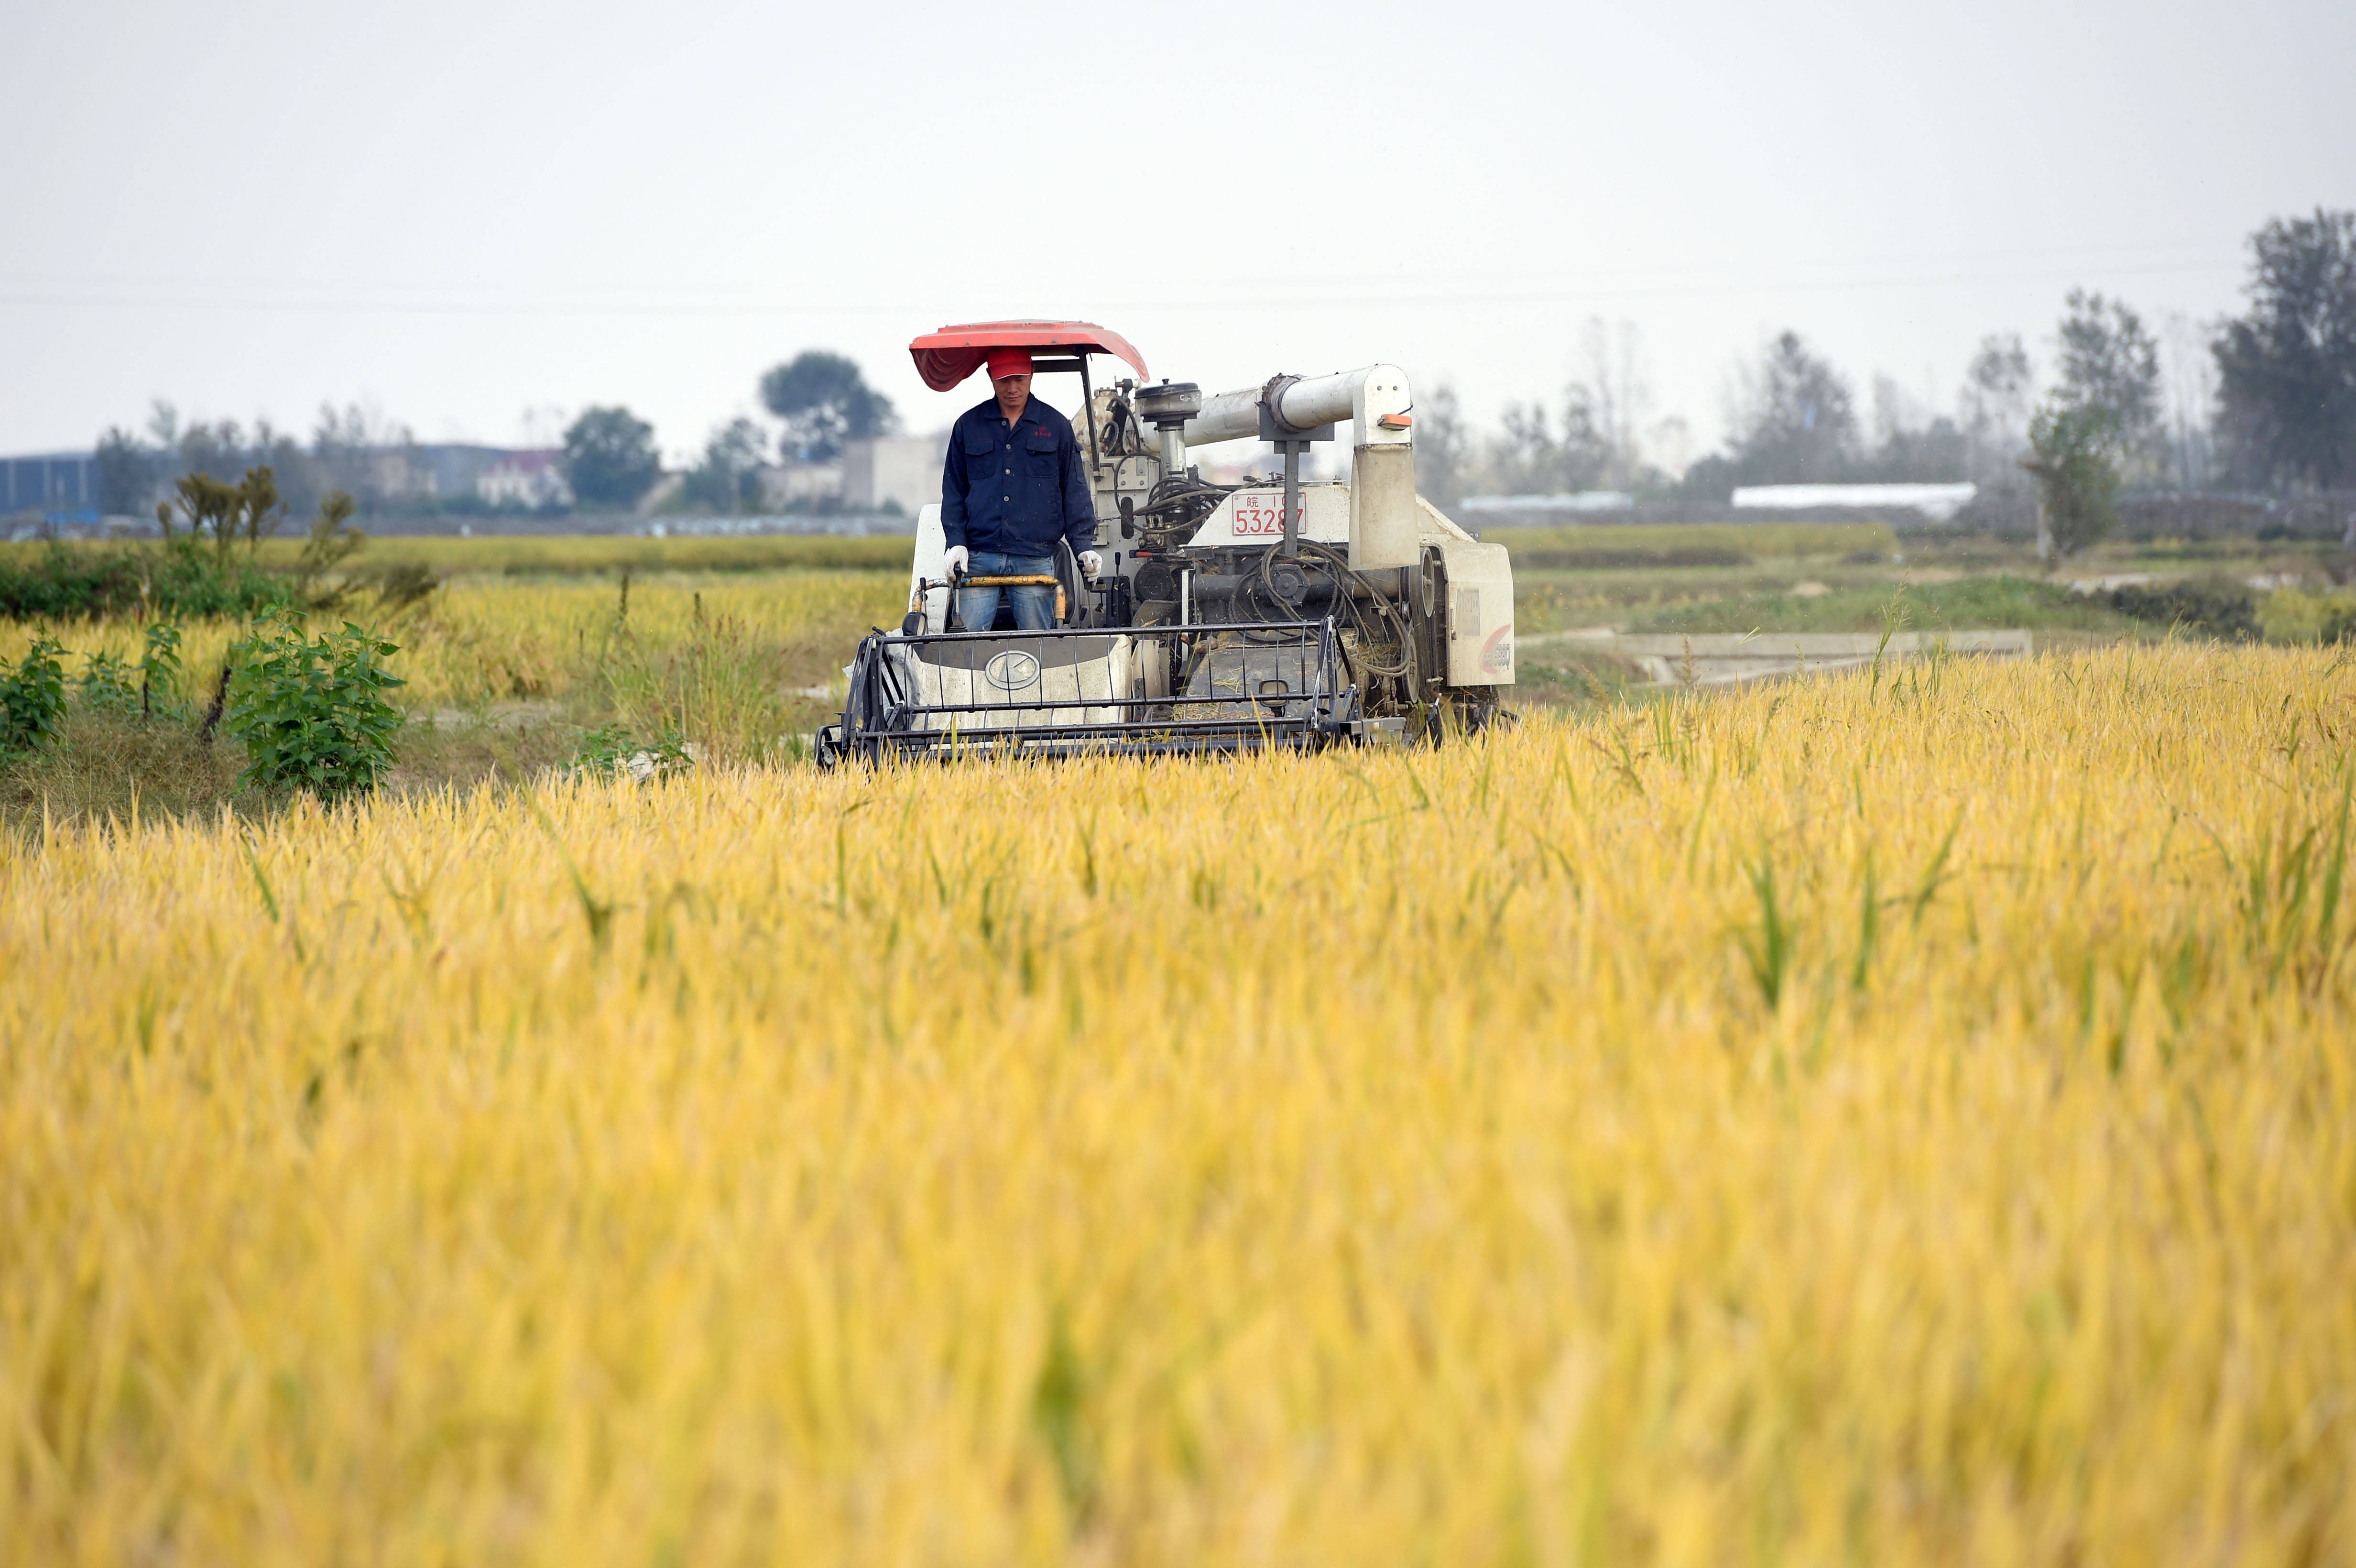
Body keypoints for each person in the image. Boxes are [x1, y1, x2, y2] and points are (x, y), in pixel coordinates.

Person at [939, 348, 1102, 631]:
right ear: (990, 377)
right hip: (979, 558)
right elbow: (954, 490)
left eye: (1019, 378)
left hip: (1034, 557)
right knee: (967, 650)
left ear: (1031, 374)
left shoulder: (1056, 427)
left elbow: (1074, 491)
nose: (1013, 388)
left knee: (1038, 649)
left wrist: (1083, 546)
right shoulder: (969, 426)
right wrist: (956, 542)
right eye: (1004, 380)